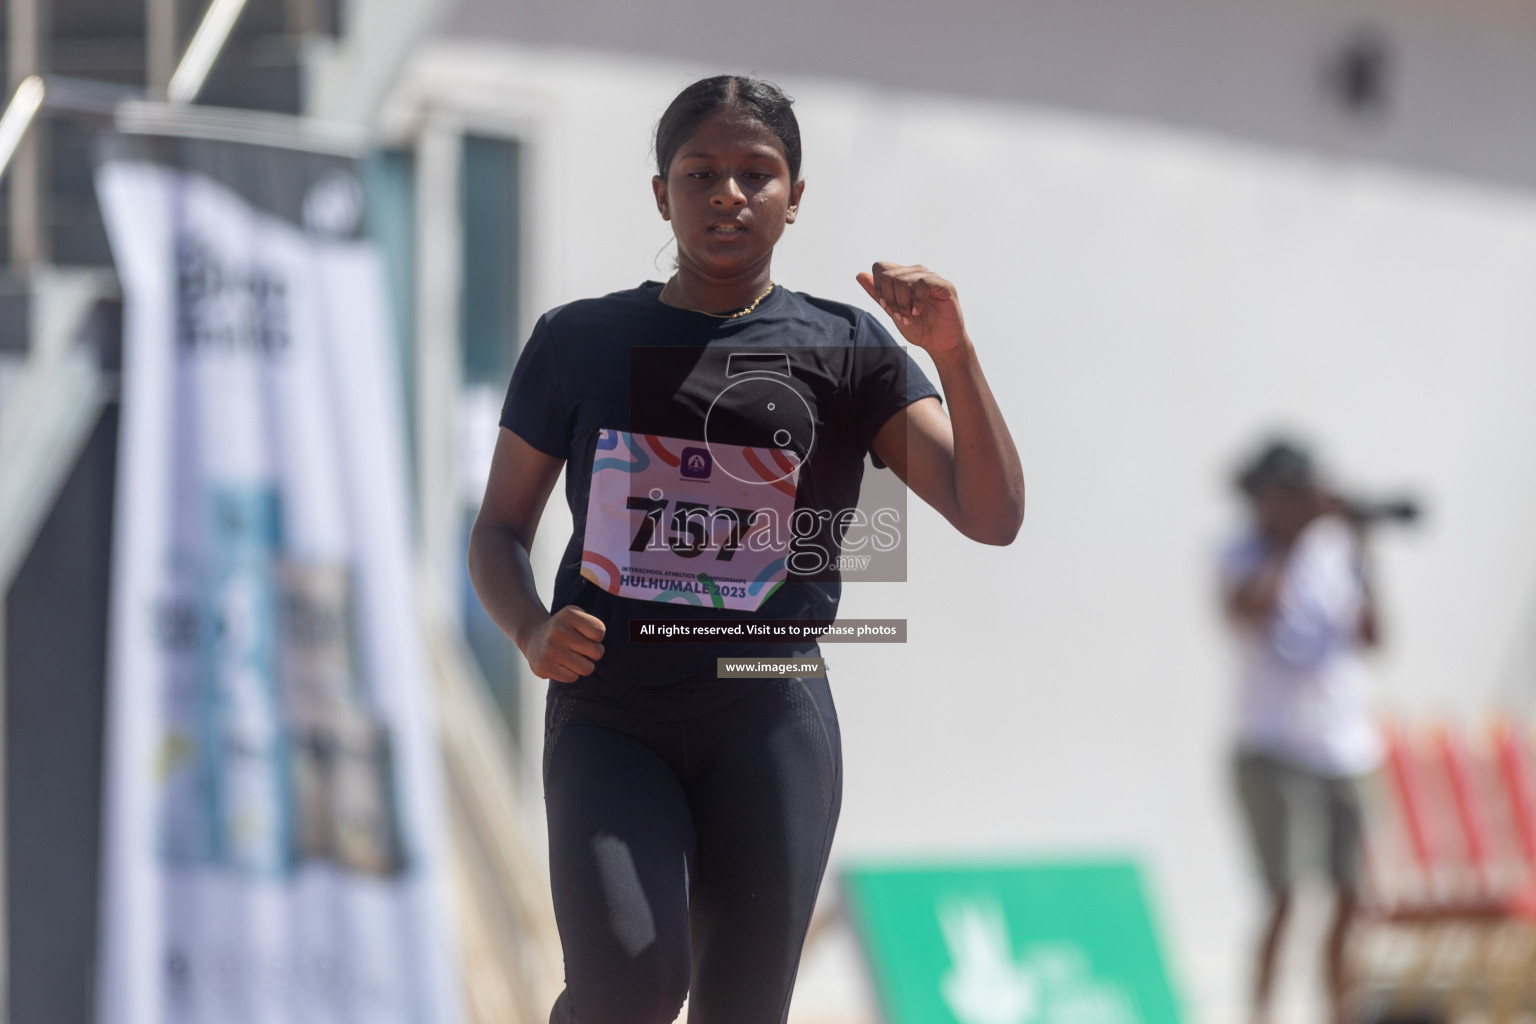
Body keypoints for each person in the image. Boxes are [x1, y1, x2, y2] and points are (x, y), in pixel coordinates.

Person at [467, 75, 1025, 1024]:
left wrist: (953, 356)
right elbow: (497, 532)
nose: (729, 193)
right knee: (630, 981)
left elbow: (990, 513)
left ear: (795, 197)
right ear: (661, 194)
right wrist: (527, 628)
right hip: (614, 708)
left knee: (742, 1010)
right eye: (701, 173)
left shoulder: (849, 350)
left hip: (767, 714)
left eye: (757, 174)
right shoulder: (580, 341)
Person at [1220, 439, 1383, 1024]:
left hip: (1344, 745)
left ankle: (1337, 1011)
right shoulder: (1242, 549)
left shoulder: (1338, 550)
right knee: (1284, 895)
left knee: (1350, 893)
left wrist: (1364, 552)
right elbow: (1244, 611)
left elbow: (1374, 637)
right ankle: (1261, 1014)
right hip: (1273, 745)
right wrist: (1289, 544)